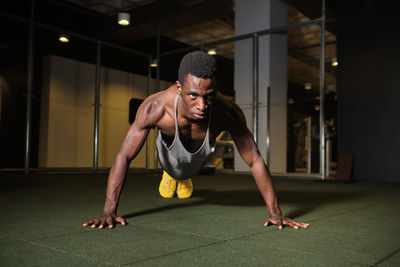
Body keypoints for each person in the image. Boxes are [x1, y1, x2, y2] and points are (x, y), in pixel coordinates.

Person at [83, 51, 310, 230]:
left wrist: (274, 212)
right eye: (193, 95)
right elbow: (124, 155)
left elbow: (255, 160)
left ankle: (183, 177)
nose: (202, 106)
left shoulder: (227, 111)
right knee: (171, 180)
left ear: (216, 89)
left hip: (199, 158)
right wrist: (109, 210)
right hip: (168, 154)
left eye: (208, 96)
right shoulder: (155, 108)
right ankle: (171, 175)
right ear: (179, 87)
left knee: (186, 174)